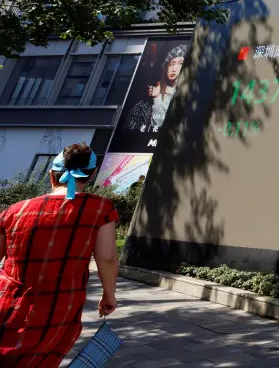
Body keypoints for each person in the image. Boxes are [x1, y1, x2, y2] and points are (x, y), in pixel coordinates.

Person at [0, 143, 120, 364]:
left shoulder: (15, 210)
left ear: (51, 175)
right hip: (59, 309)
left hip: (8, 305)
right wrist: (109, 295)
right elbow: (107, 257)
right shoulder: (101, 209)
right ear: (92, 175)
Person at [123, 43, 187, 134]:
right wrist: (157, 97)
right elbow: (156, 126)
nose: (174, 69)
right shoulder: (150, 97)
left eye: (180, 63)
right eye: (171, 64)